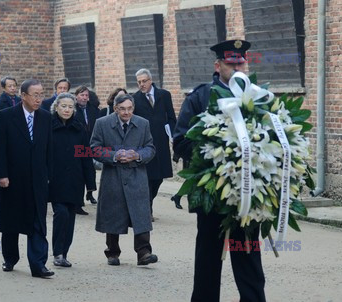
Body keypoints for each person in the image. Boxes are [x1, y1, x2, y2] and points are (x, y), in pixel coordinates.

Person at [173, 40, 266, 302]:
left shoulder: (258, 96)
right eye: (231, 63)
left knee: (247, 251)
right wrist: (217, 149)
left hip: (249, 193)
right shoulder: (200, 97)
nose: (237, 67)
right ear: (218, 65)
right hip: (212, 193)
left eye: (240, 62)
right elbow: (180, 142)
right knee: (209, 255)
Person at [0, 78, 54, 278]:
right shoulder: (6, 116)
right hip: (12, 177)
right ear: (23, 96)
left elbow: (49, 149)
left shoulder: (46, 117)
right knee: (11, 220)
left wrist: (49, 174)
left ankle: (38, 264)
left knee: (38, 220)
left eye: (41, 94)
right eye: (35, 95)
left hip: (37, 178)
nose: (39, 99)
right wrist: (1, 174)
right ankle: (10, 258)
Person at [90, 94, 158, 266]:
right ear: (115, 109)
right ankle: (112, 253)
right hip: (113, 176)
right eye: (122, 109)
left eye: (129, 108)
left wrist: (138, 155)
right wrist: (114, 156)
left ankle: (144, 253)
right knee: (113, 213)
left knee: (141, 214)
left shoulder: (143, 123)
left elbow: (150, 147)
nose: (126, 112)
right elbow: (94, 149)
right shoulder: (102, 123)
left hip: (137, 175)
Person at [49, 93, 96, 267]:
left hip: (75, 180)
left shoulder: (79, 128)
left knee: (70, 216)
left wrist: (90, 183)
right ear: (56, 107)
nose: (67, 110)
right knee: (60, 213)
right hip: (55, 179)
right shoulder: (48, 126)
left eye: (70, 107)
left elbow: (86, 156)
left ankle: (64, 253)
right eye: (63, 106)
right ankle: (57, 253)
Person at [133, 69, 177, 221]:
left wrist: (172, 134)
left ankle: (148, 204)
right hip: (145, 144)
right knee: (148, 177)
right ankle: (147, 209)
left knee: (159, 178)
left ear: (150, 80)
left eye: (144, 81)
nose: (141, 84)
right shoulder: (135, 98)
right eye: (139, 82)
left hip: (162, 142)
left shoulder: (164, 95)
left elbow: (171, 117)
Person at [74, 86, 100, 214]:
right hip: (77, 145)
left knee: (89, 170)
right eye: (82, 95)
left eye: (86, 95)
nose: (84, 97)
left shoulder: (93, 109)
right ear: (76, 96)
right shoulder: (73, 109)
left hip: (90, 144)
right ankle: (78, 202)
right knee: (79, 173)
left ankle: (90, 193)